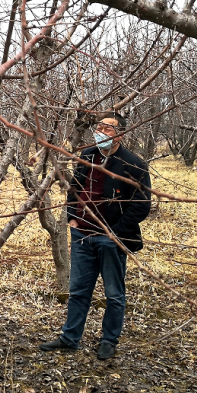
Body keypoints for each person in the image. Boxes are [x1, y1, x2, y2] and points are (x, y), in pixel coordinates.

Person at [39, 112, 151, 360]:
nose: (100, 133)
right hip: (82, 234)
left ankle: (109, 340)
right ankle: (70, 338)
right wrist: (71, 216)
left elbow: (141, 205)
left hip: (110, 239)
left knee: (113, 293)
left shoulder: (134, 165)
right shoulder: (88, 155)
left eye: (107, 129)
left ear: (120, 134)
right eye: (98, 127)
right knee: (78, 290)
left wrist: (116, 232)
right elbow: (74, 189)